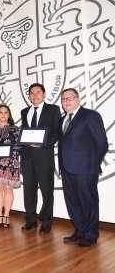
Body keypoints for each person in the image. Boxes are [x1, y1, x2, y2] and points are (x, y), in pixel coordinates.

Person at [58, 88, 108, 247]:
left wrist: (92, 164)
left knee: (88, 202)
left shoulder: (90, 116)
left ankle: (91, 235)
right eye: (64, 99)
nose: (67, 101)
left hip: (86, 169)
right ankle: (80, 231)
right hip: (66, 169)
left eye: (70, 98)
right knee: (72, 202)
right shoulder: (61, 120)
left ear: (78, 99)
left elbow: (102, 143)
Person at [20, 83, 61, 234]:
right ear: (29, 96)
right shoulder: (24, 112)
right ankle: (31, 220)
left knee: (47, 190)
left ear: (44, 94)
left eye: (38, 92)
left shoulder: (53, 109)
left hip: (44, 156)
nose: (35, 95)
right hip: (27, 158)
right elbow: (24, 134)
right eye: (32, 93)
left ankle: (47, 222)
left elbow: (57, 132)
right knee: (29, 190)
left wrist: (43, 143)